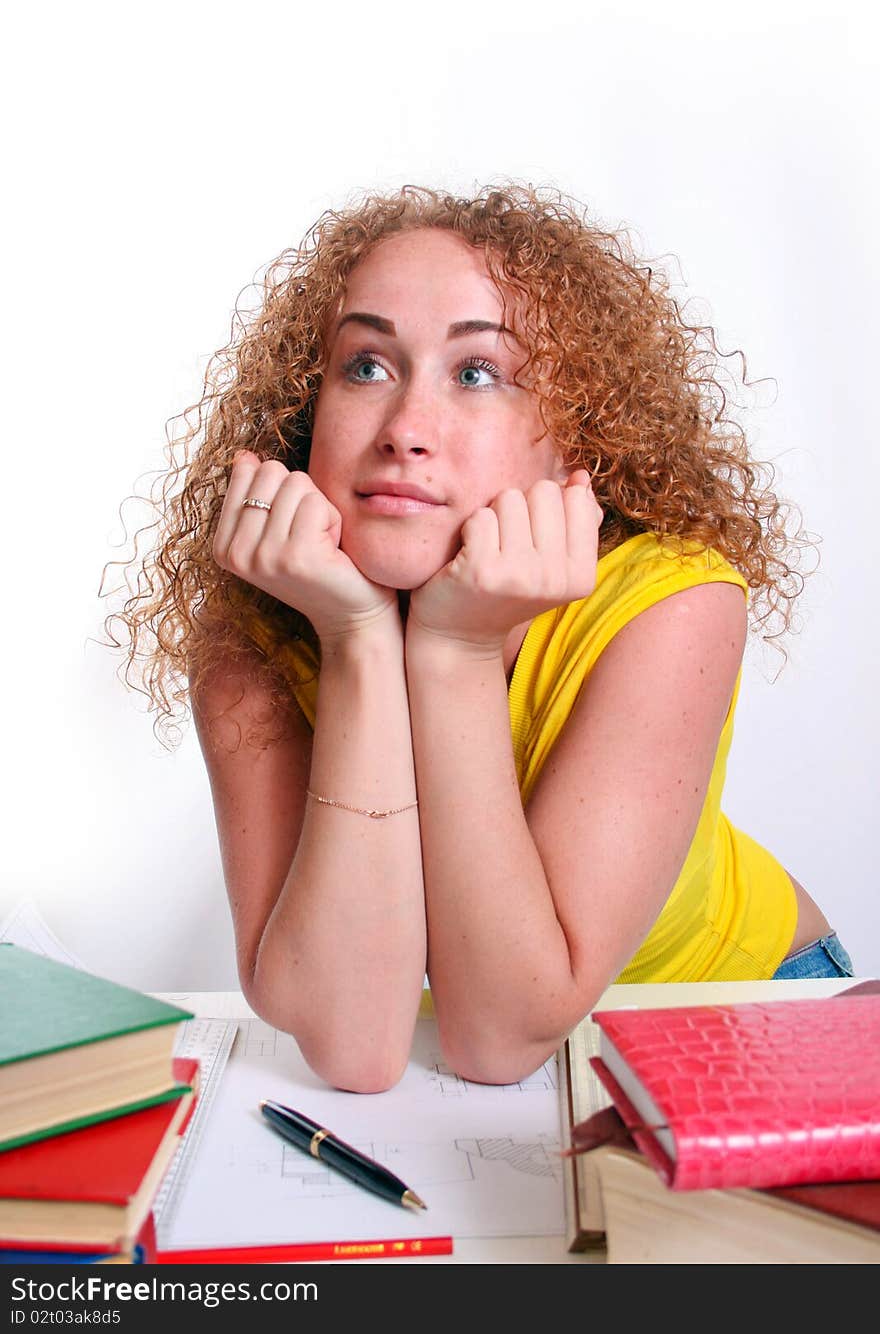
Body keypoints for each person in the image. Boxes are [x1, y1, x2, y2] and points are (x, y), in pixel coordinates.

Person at [103, 183, 853, 1094]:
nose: (407, 431)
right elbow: (353, 1047)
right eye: (367, 366)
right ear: (307, 410)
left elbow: (502, 1039)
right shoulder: (258, 618)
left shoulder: (674, 603)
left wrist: (452, 653)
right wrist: (358, 638)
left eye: (476, 373)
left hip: (738, 1018)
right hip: (458, 1063)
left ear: (576, 444)